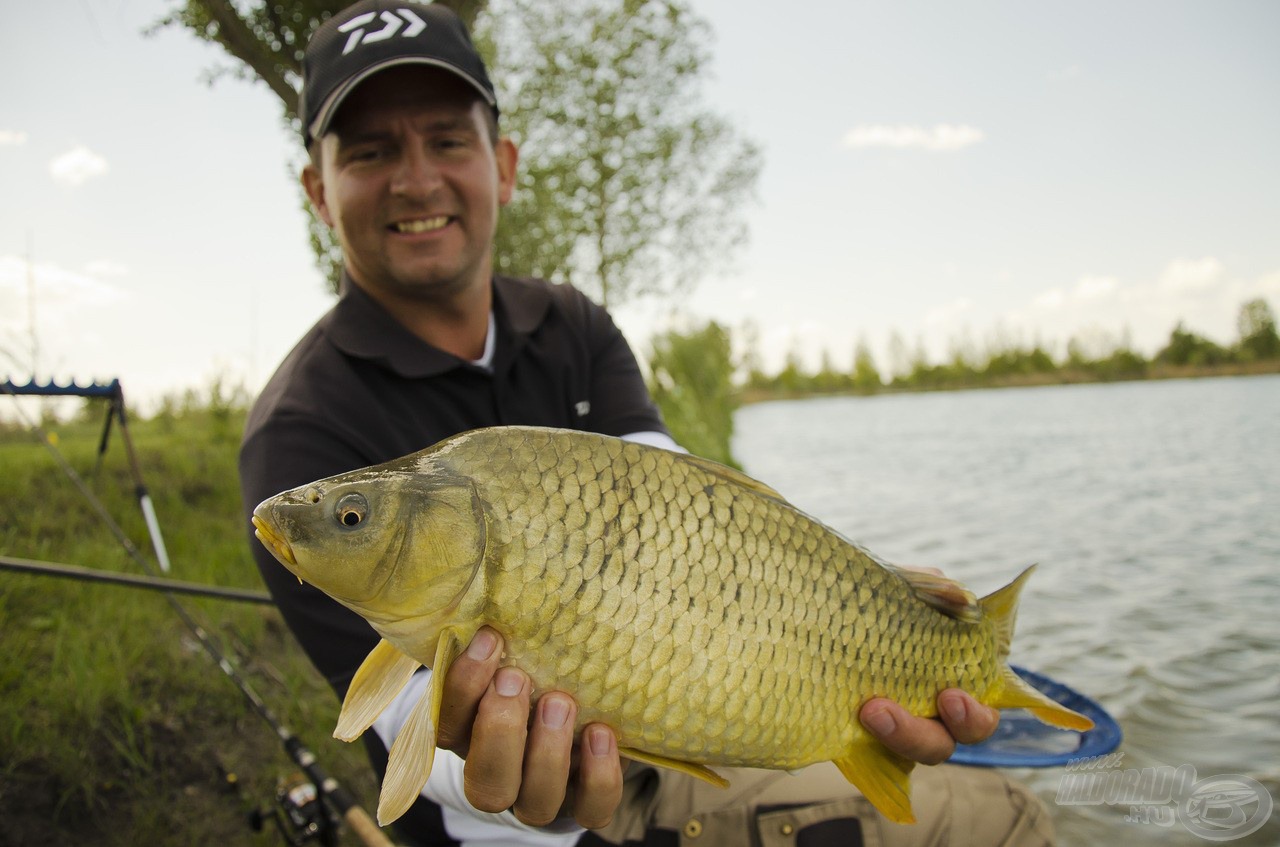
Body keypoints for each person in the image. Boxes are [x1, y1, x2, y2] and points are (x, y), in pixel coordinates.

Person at [239, 2, 1056, 844]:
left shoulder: (573, 324)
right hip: (514, 826)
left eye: (447, 140)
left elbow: (696, 521)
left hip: (696, 718)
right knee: (1011, 824)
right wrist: (526, 779)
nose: (416, 179)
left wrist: (872, 597)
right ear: (318, 193)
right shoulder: (296, 435)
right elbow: (410, 729)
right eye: (370, 151)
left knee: (968, 779)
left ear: (504, 165)